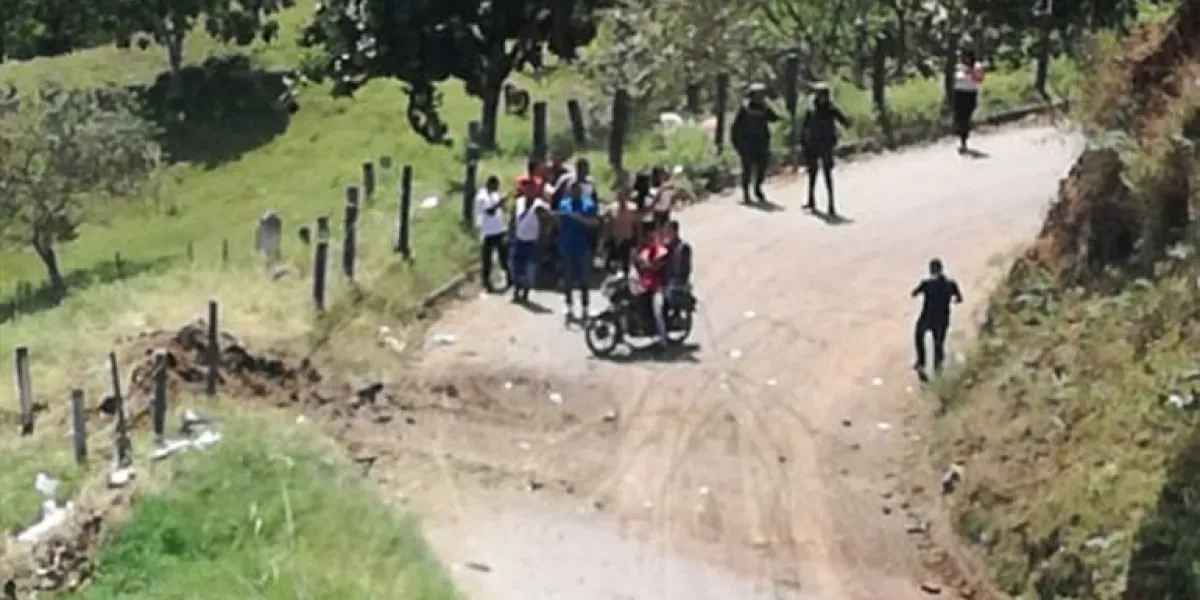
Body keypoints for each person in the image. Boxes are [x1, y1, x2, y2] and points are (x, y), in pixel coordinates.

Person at [800, 83, 851, 216]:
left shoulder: (831, 109)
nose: (822, 98)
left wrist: (847, 122)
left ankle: (831, 204)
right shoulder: (811, 109)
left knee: (827, 175)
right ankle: (811, 200)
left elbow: (844, 120)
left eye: (824, 95)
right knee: (812, 173)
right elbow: (804, 127)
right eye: (820, 95)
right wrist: (802, 143)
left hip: (826, 145)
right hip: (812, 145)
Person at [911, 258, 963, 378]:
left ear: (931, 270)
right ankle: (938, 369)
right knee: (939, 344)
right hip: (942, 318)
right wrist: (953, 300)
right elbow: (959, 299)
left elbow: (914, 293)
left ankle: (921, 361)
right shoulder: (951, 284)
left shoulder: (927, 284)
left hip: (927, 317)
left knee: (919, 336)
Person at [556, 181, 599, 322]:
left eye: (577, 191)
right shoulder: (564, 204)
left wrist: (580, 219)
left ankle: (585, 307)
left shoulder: (588, 204)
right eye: (572, 191)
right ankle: (568, 306)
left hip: (582, 246)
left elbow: (595, 223)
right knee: (568, 278)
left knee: (584, 279)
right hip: (567, 245)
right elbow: (559, 221)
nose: (575, 193)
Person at [730, 82, 779, 204]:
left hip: (761, 143)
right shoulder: (745, 109)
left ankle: (757, 188)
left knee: (762, 167)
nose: (760, 97)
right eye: (758, 95)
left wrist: (769, 107)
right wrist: (736, 142)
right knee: (747, 169)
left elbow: (774, 118)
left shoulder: (764, 108)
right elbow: (735, 127)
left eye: (761, 95)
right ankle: (746, 193)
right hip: (747, 143)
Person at [634, 225, 671, 347]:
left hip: (658, 286)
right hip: (645, 285)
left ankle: (663, 340)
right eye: (647, 237)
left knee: (657, 310)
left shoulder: (662, 251)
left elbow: (657, 266)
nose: (649, 240)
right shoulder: (644, 251)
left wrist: (648, 265)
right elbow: (638, 263)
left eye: (651, 237)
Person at [474, 175, 510, 293]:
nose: (497, 189)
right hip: (488, 232)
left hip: (499, 229)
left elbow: (501, 209)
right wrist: (500, 202)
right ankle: (486, 283)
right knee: (487, 259)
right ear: (490, 184)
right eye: (495, 186)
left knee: (504, 256)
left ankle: (510, 280)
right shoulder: (482, 197)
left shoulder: (494, 195)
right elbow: (490, 211)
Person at [509, 194, 546, 303]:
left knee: (529, 268)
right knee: (515, 267)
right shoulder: (519, 202)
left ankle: (525, 293)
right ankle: (516, 290)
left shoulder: (538, 204)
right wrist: (510, 233)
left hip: (531, 241)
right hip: (519, 239)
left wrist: (542, 237)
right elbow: (513, 218)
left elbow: (544, 219)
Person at [952, 49, 986, 153]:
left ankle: (964, 140)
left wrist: (971, 72)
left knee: (966, 118)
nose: (965, 59)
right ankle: (960, 137)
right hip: (959, 93)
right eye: (963, 57)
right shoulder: (958, 66)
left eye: (966, 57)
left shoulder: (977, 66)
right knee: (958, 117)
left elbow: (980, 79)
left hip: (970, 94)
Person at [606, 187, 639, 277]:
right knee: (613, 263)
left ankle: (624, 282)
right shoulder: (612, 207)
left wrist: (639, 239)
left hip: (627, 238)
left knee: (626, 264)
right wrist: (606, 238)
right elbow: (608, 224)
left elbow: (636, 224)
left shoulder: (633, 208)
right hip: (615, 238)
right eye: (620, 195)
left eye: (623, 195)